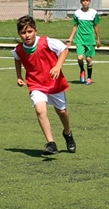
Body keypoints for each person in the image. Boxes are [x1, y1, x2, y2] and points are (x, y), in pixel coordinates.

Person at [12, 16, 76, 155]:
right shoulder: (19, 49)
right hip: (36, 84)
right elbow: (17, 58)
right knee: (40, 110)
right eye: (23, 33)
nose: (27, 35)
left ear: (35, 30)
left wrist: (58, 66)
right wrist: (19, 76)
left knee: (62, 112)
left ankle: (67, 133)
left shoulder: (47, 42)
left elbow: (64, 50)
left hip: (54, 84)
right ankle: (51, 143)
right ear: (19, 34)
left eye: (29, 31)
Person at [66, 0, 101, 85]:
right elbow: (75, 26)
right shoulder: (77, 13)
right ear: (81, 2)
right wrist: (70, 38)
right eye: (83, 1)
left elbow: (96, 26)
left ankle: (89, 78)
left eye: (87, 1)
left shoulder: (93, 13)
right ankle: (82, 70)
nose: (85, 2)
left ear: (89, 1)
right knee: (80, 57)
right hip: (80, 39)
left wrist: (98, 39)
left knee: (89, 59)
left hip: (90, 39)